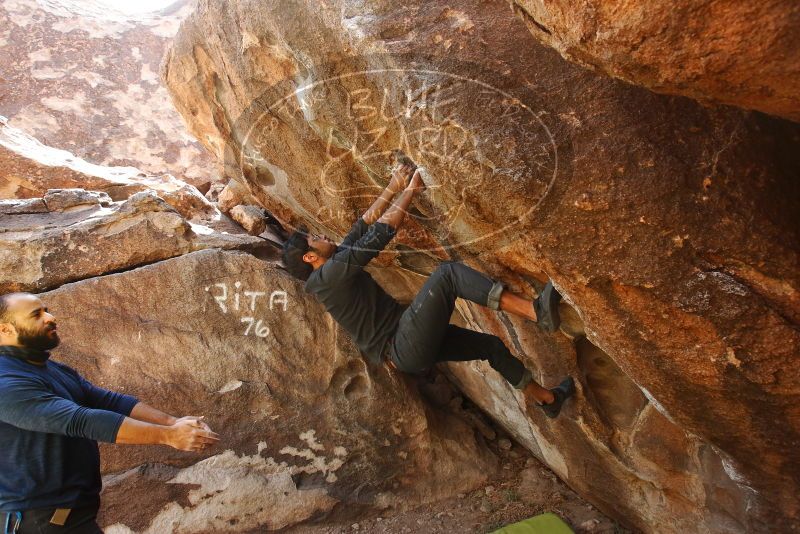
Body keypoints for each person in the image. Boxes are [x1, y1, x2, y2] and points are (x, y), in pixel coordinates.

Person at [282, 160, 575, 420]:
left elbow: (362, 226)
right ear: (310, 257)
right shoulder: (328, 278)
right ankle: (536, 312)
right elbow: (378, 235)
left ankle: (547, 400)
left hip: (407, 343)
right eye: (313, 238)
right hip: (402, 344)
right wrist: (412, 189)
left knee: (491, 347)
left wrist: (393, 185)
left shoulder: (329, 269)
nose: (320, 235)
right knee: (447, 275)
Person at [0, 292, 220, 534]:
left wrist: (173, 421)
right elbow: (81, 420)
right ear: (5, 329)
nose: (50, 317)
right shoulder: (6, 381)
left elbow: (109, 401)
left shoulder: (49, 368)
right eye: (36, 314)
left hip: (69, 519)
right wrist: (169, 435)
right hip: (38, 523)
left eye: (46, 310)